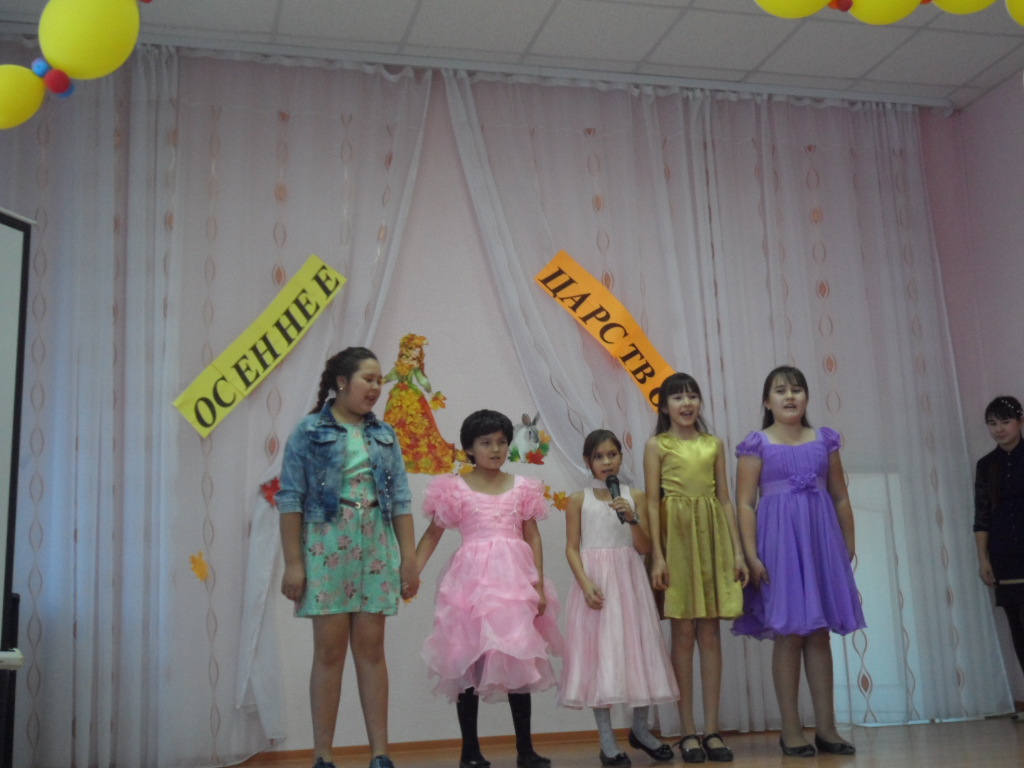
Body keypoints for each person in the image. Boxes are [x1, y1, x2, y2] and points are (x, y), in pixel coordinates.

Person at [277, 347, 420, 768]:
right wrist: (293, 563)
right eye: (368, 379)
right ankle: (323, 755)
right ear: (342, 382)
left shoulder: (385, 434)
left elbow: (400, 500)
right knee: (329, 651)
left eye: (379, 380)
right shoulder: (308, 431)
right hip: (326, 543)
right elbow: (290, 499)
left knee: (372, 650)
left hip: (375, 543)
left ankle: (380, 754)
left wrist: (408, 558)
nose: (376, 387)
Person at [416, 409, 562, 768]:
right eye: (486, 443)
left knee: (517, 657)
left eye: (501, 442)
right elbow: (432, 535)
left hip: (514, 584)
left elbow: (532, 536)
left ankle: (525, 750)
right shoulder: (455, 489)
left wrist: (538, 584)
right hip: (469, 586)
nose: (495, 449)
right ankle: (470, 752)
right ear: (469, 448)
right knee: (468, 661)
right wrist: (411, 573)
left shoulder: (523, 487)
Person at [733, 365, 864, 757]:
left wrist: (847, 544)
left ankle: (827, 728)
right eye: (780, 390)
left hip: (821, 543)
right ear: (767, 401)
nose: (789, 396)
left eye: (796, 389)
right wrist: (751, 555)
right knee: (789, 634)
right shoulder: (757, 444)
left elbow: (840, 496)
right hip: (779, 547)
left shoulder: (824, 441)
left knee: (819, 634)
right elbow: (745, 503)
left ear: (806, 397)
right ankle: (791, 730)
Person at [644, 373, 748, 763]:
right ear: (664, 406)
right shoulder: (657, 445)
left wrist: (737, 552)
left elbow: (725, 499)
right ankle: (687, 730)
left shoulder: (713, 444)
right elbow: (652, 502)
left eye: (692, 396)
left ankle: (712, 730)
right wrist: (658, 555)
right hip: (676, 540)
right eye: (678, 397)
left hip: (712, 537)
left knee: (710, 633)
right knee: (683, 633)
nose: (686, 403)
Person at [560, 429, 678, 767]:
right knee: (600, 657)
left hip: (629, 582)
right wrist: (585, 583)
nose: (606, 462)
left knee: (638, 652)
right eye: (599, 456)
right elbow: (571, 548)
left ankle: (640, 728)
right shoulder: (578, 500)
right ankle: (607, 740)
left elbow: (644, 546)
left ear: (621, 457)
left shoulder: (634, 496)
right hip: (596, 584)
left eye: (612, 454)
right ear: (588, 461)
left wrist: (632, 518)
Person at [974, 395, 1024, 713]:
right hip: (1004, 552)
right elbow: (982, 516)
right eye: (992, 424)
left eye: (1005, 421)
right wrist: (983, 559)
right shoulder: (986, 465)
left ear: (1020, 422)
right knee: (1016, 626)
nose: (999, 429)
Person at [382, 333, 458, 474]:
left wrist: (430, 391)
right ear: (407, 349)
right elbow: (391, 375)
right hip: (398, 397)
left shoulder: (414, 366)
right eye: (415, 349)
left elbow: (422, 379)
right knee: (397, 423)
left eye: (419, 350)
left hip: (411, 397)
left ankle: (414, 453)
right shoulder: (399, 365)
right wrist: (382, 381)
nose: (417, 353)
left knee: (417, 424)